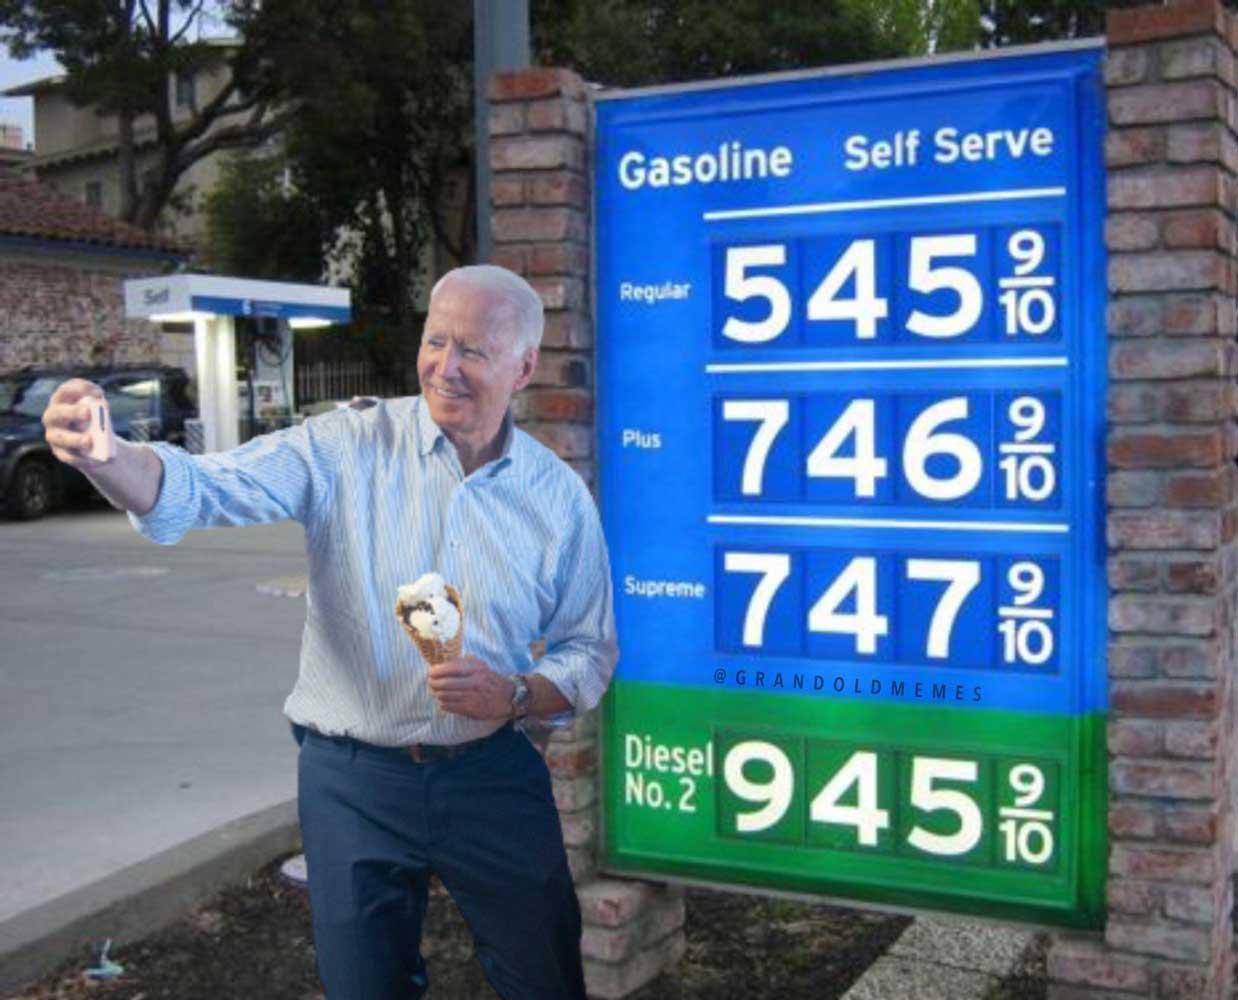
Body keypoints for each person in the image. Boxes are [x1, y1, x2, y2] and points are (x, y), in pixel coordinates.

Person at [42, 265, 618, 1000]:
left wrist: (512, 694)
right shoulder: (345, 446)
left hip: (491, 773)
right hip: (353, 779)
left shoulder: (558, 498)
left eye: (472, 350)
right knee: (364, 988)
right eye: (435, 340)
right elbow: (205, 487)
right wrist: (108, 457)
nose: (445, 366)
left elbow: (589, 650)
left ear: (524, 366)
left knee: (543, 976)